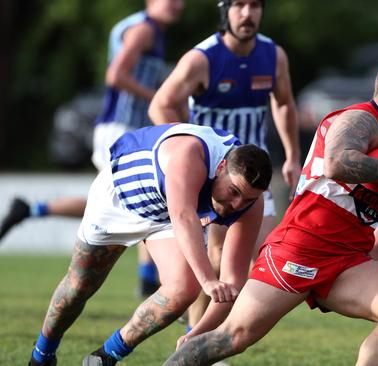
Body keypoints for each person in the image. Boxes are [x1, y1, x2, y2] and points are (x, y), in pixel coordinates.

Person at [162, 51, 378, 366]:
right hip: (299, 248)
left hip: (348, 259)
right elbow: (336, 164)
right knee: (233, 337)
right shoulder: (359, 119)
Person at [27, 123, 272, 366]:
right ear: (221, 167)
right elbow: (184, 218)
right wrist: (208, 279)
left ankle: (104, 358)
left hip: (165, 217)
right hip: (120, 199)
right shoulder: (189, 154)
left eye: (248, 198)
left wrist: (197, 334)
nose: (237, 204)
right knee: (78, 286)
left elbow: (232, 285)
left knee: (183, 290)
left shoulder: (251, 205)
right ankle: (42, 355)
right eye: (234, 192)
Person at [0, 0, 185, 298]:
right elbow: (115, 75)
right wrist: (158, 96)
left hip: (128, 130)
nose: (177, 4)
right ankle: (150, 280)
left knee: (118, 200)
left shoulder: (155, 32)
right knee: (143, 201)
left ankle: (30, 210)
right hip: (120, 129)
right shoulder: (143, 30)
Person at [148, 0, 301, 332]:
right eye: (239, 5)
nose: (247, 14)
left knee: (263, 255)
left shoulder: (273, 55)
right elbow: (161, 104)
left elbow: (285, 103)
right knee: (217, 257)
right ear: (225, 11)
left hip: (254, 178)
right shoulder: (202, 58)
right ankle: (196, 336)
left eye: (255, 5)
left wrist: (292, 156)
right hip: (219, 178)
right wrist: (182, 154)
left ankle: (209, 334)